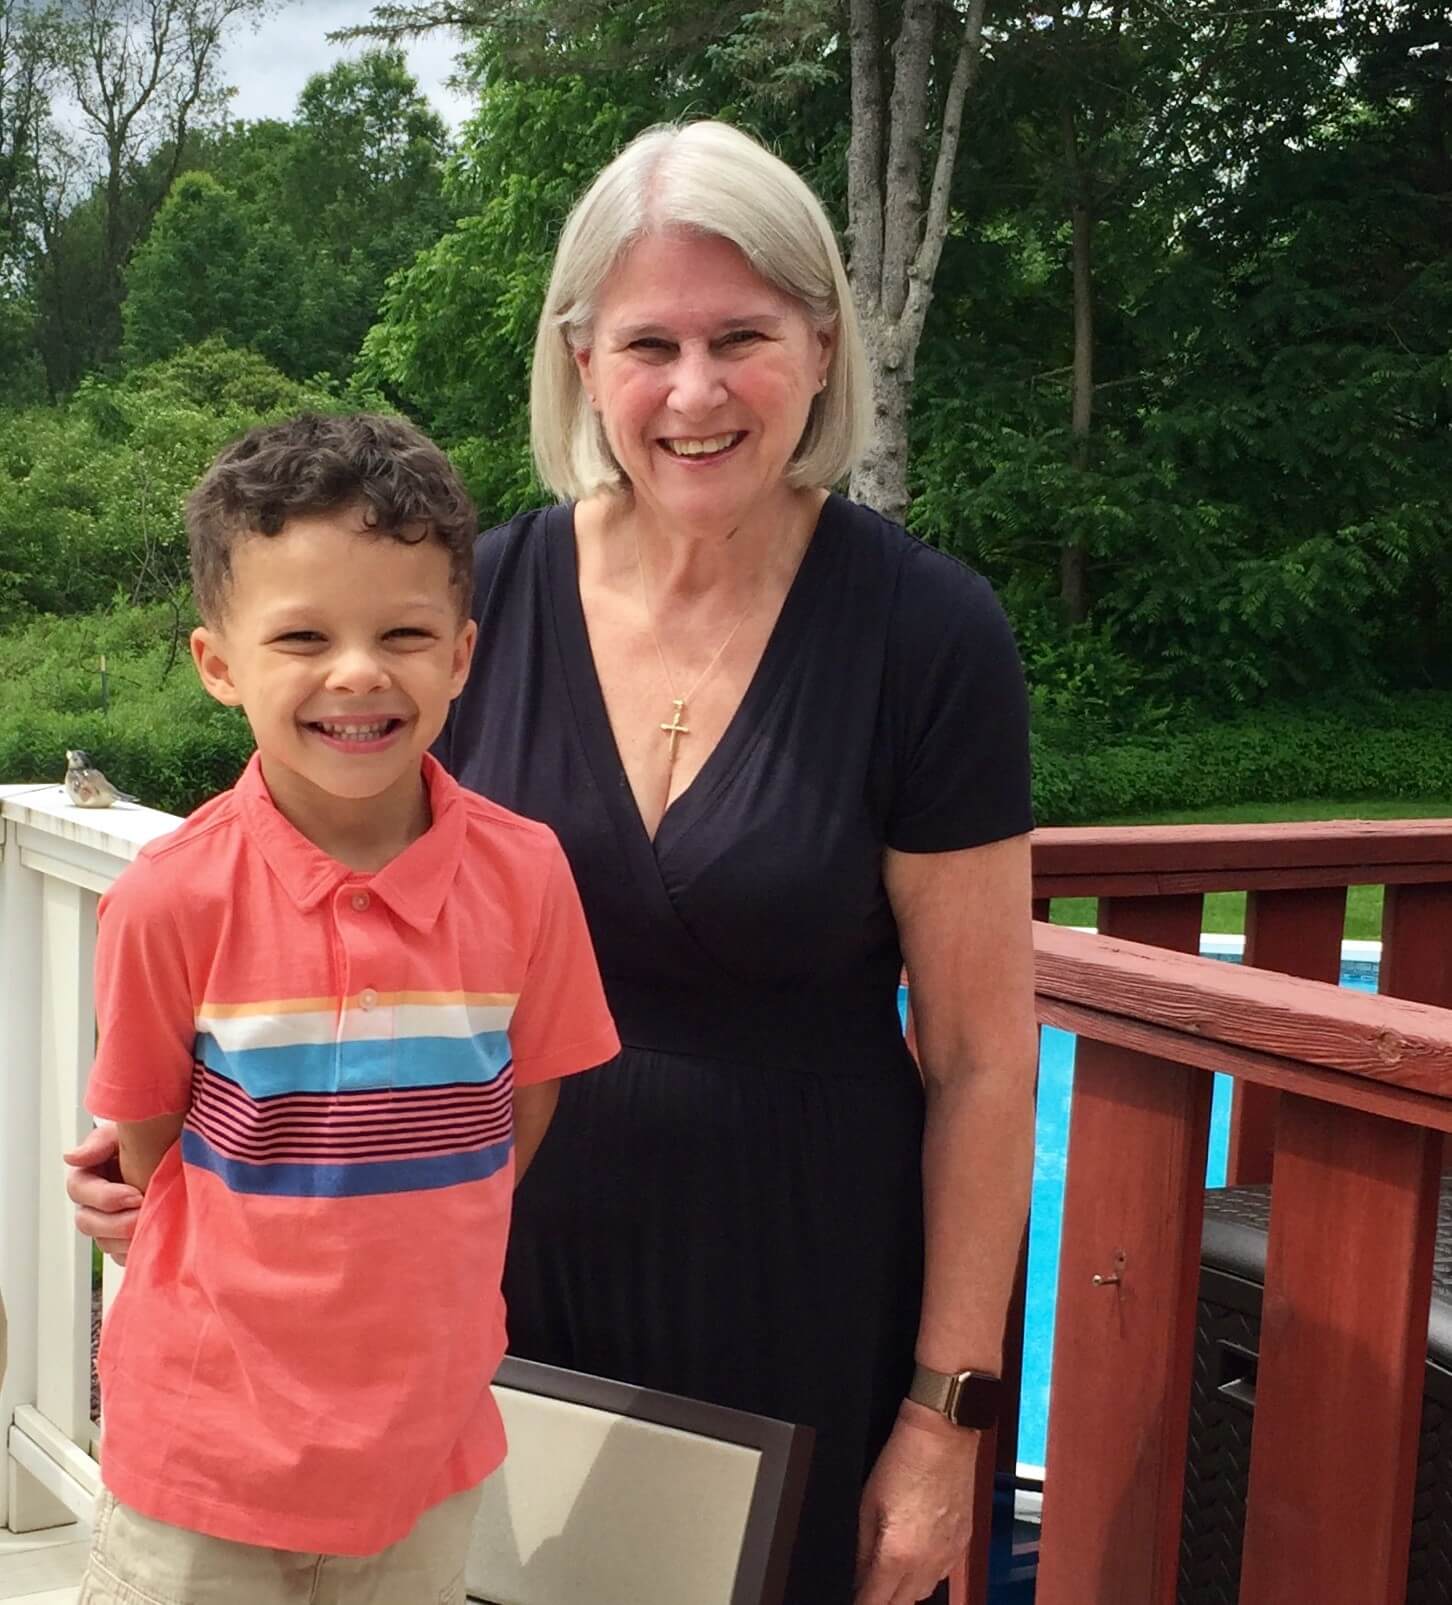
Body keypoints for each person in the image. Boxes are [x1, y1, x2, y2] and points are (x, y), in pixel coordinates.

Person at [69, 122, 1037, 1604]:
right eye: (650, 341)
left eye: (744, 337)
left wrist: (943, 1416)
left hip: (796, 1281)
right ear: (582, 360)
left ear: (825, 348)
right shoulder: (471, 598)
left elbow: (981, 1059)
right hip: (467, 1306)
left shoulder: (929, 637)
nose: (695, 391)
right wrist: (200, 1136)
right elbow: (290, 889)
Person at [69, 413, 619, 1605]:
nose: (359, 672)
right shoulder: (171, 900)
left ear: (464, 655)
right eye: (303, 636)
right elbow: (156, 1144)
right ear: (220, 664)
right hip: (202, 1465)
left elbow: (523, 1104)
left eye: (405, 634)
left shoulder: (527, 878)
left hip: (421, 1465)